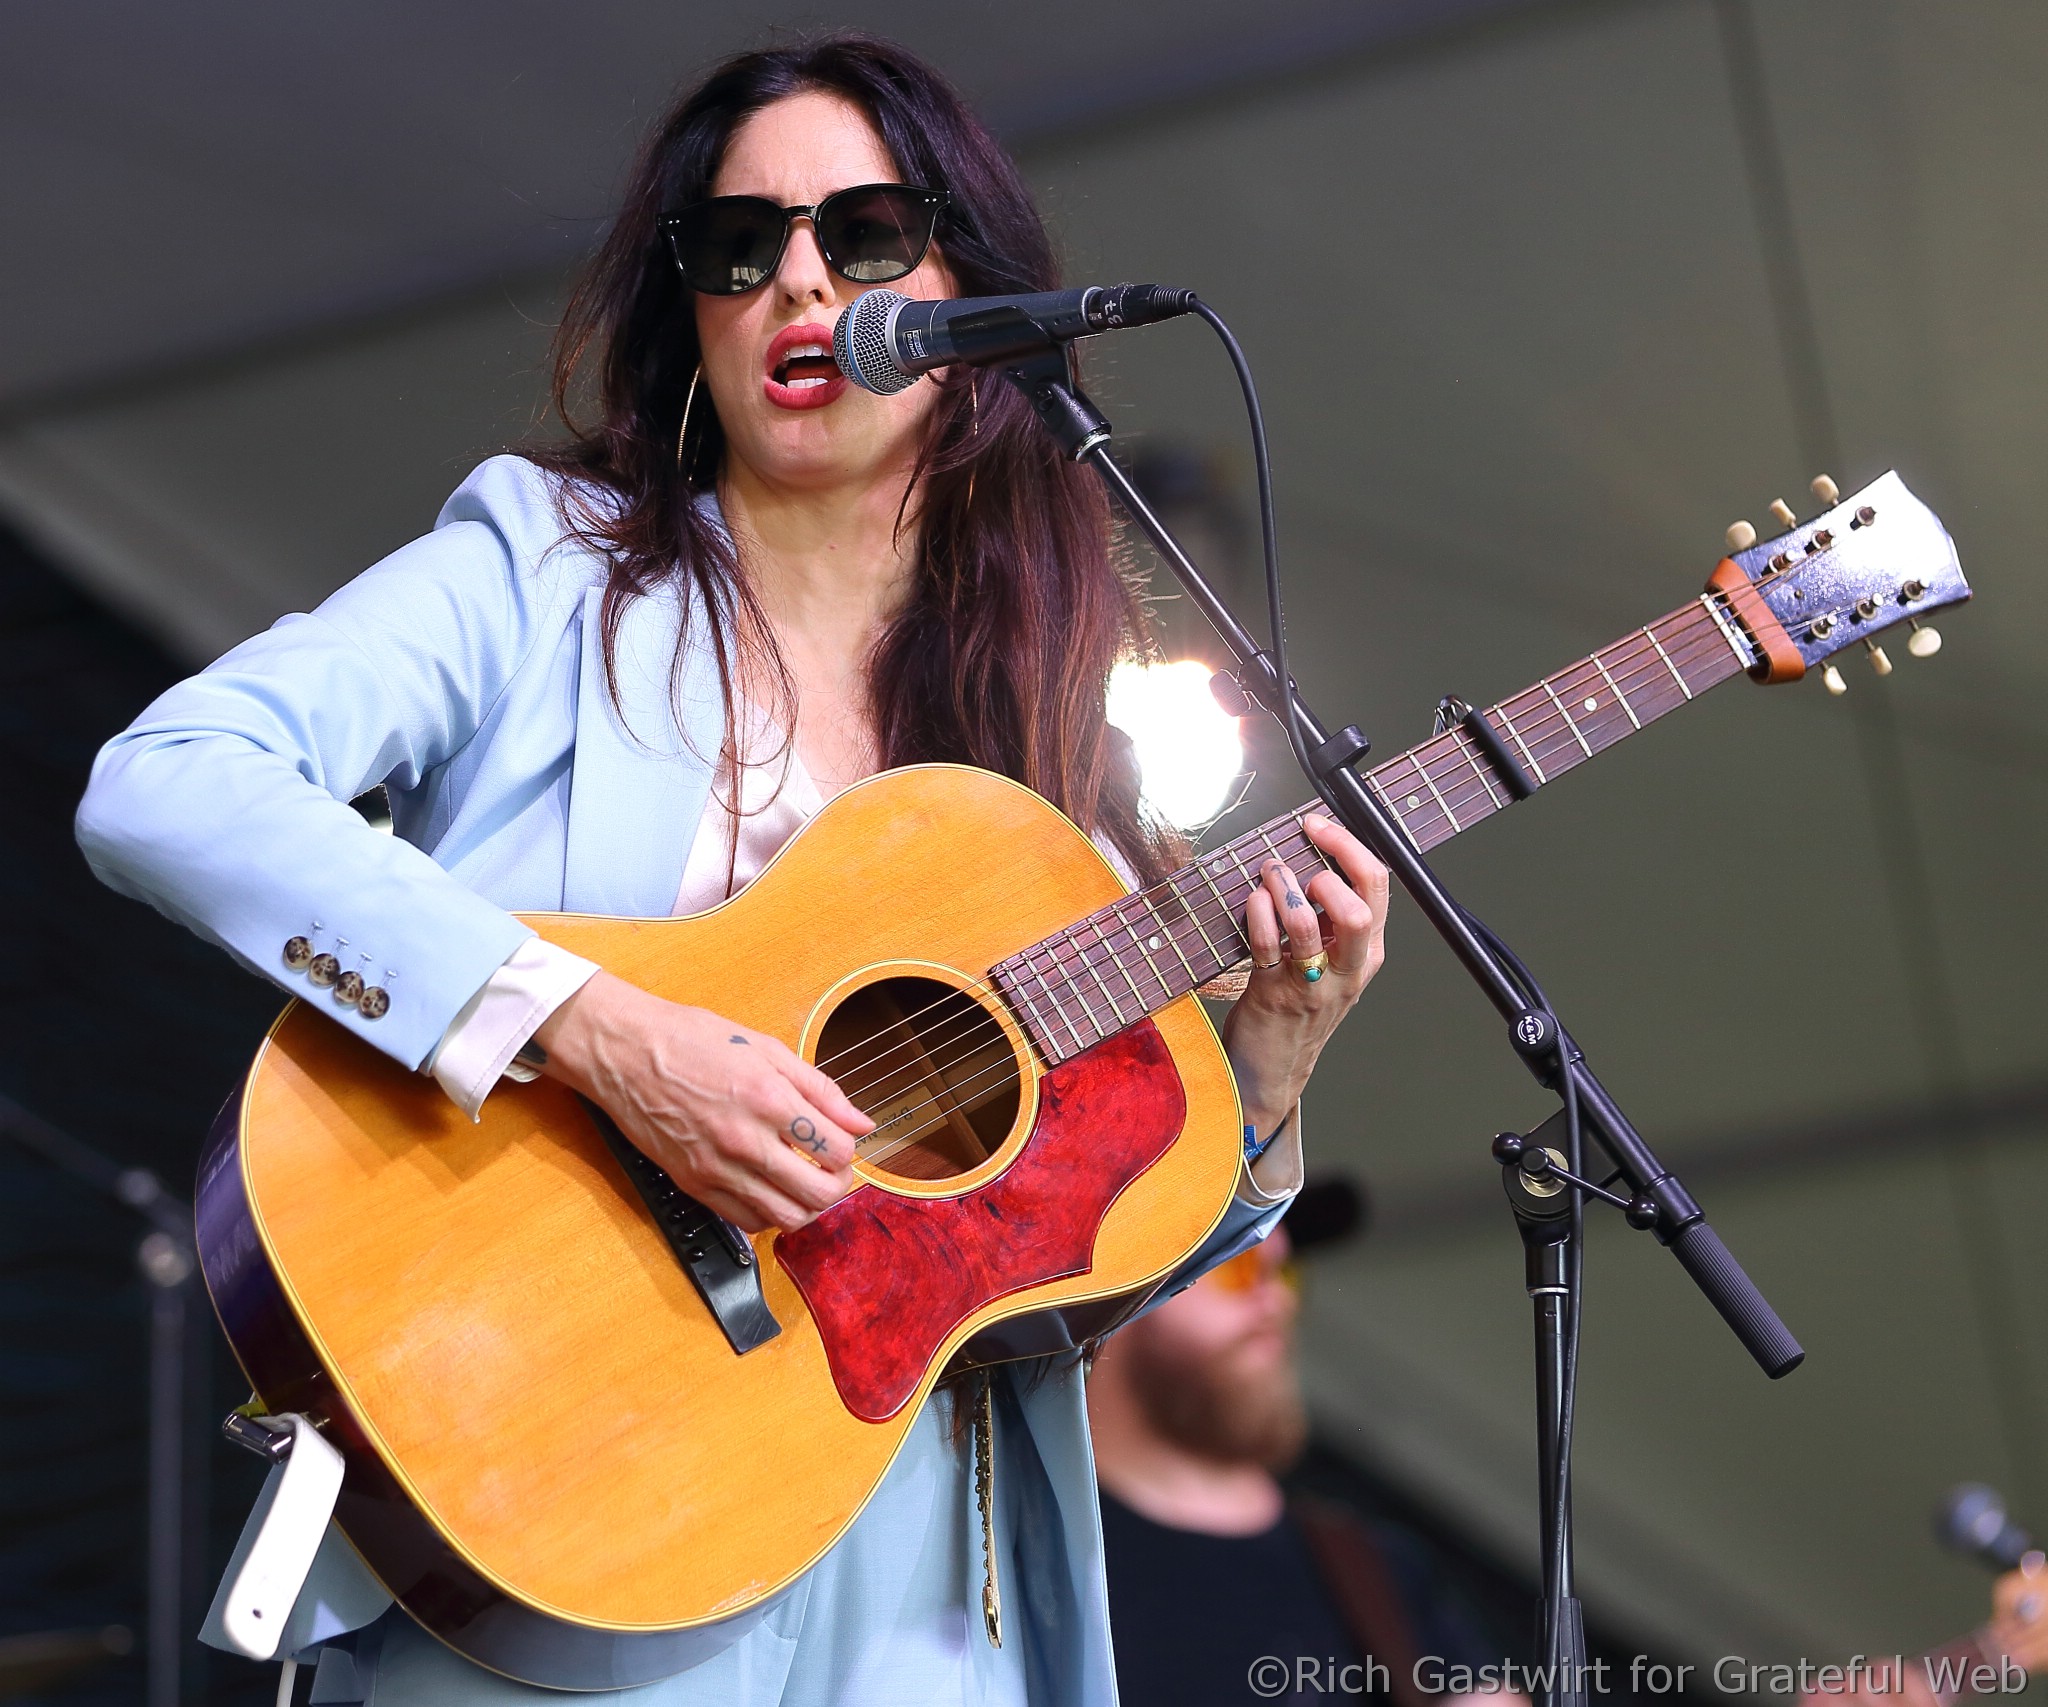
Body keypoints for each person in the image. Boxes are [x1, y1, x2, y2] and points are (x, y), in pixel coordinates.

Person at [74, 32, 1390, 1707]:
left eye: (861, 236)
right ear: (683, 308)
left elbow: (1060, 1264)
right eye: (736, 244)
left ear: (968, 302)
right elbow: (166, 782)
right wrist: (597, 1028)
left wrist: (1265, 1076)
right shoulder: (538, 572)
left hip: (926, 1579)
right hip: (556, 1482)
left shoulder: (1044, 745)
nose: (796, 282)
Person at [1090, 1179, 1524, 1707]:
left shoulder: (1376, 1569)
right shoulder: (1021, 1553)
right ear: (1116, 1296)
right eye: (1238, 1264)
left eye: (1287, 1270)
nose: (1276, 1299)